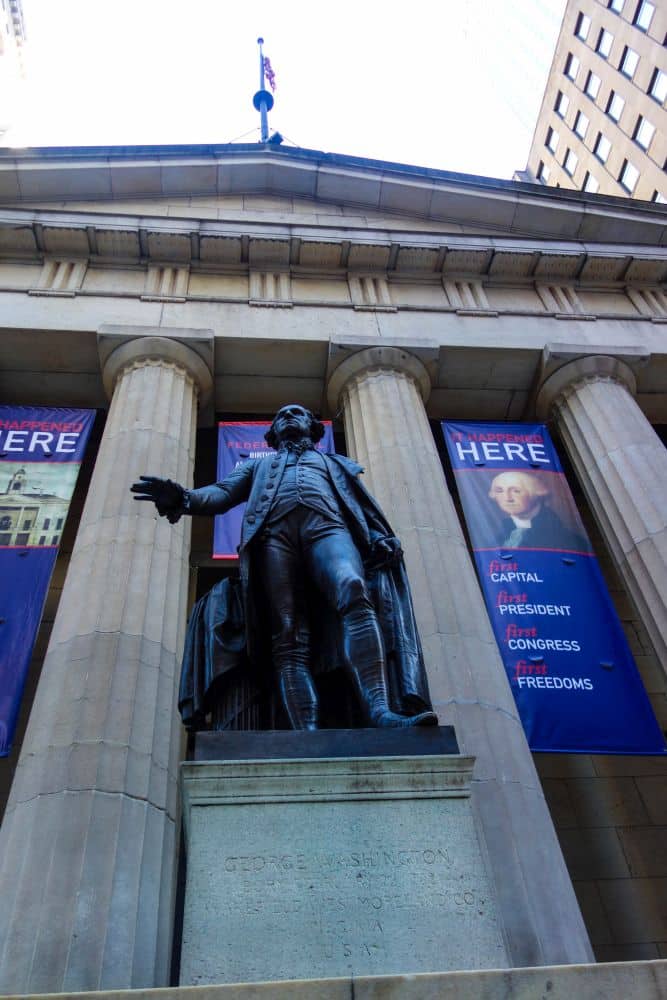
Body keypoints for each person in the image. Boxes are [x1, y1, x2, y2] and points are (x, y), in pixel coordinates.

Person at [131, 404, 437, 730]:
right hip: (274, 538)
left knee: (353, 587)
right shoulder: (258, 468)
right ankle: (305, 730)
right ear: (273, 433)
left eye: (298, 413)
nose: (289, 416)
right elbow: (222, 493)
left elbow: (360, 507)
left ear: (313, 428)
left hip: (328, 529)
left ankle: (379, 711)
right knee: (288, 631)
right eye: (281, 415)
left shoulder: (334, 463)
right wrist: (184, 498)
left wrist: (378, 536)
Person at [488, 470, 588, 552]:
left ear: (537, 494)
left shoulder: (568, 541)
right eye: (500, 491)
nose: (507, 498)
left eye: (516, 491)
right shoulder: (496, 539)